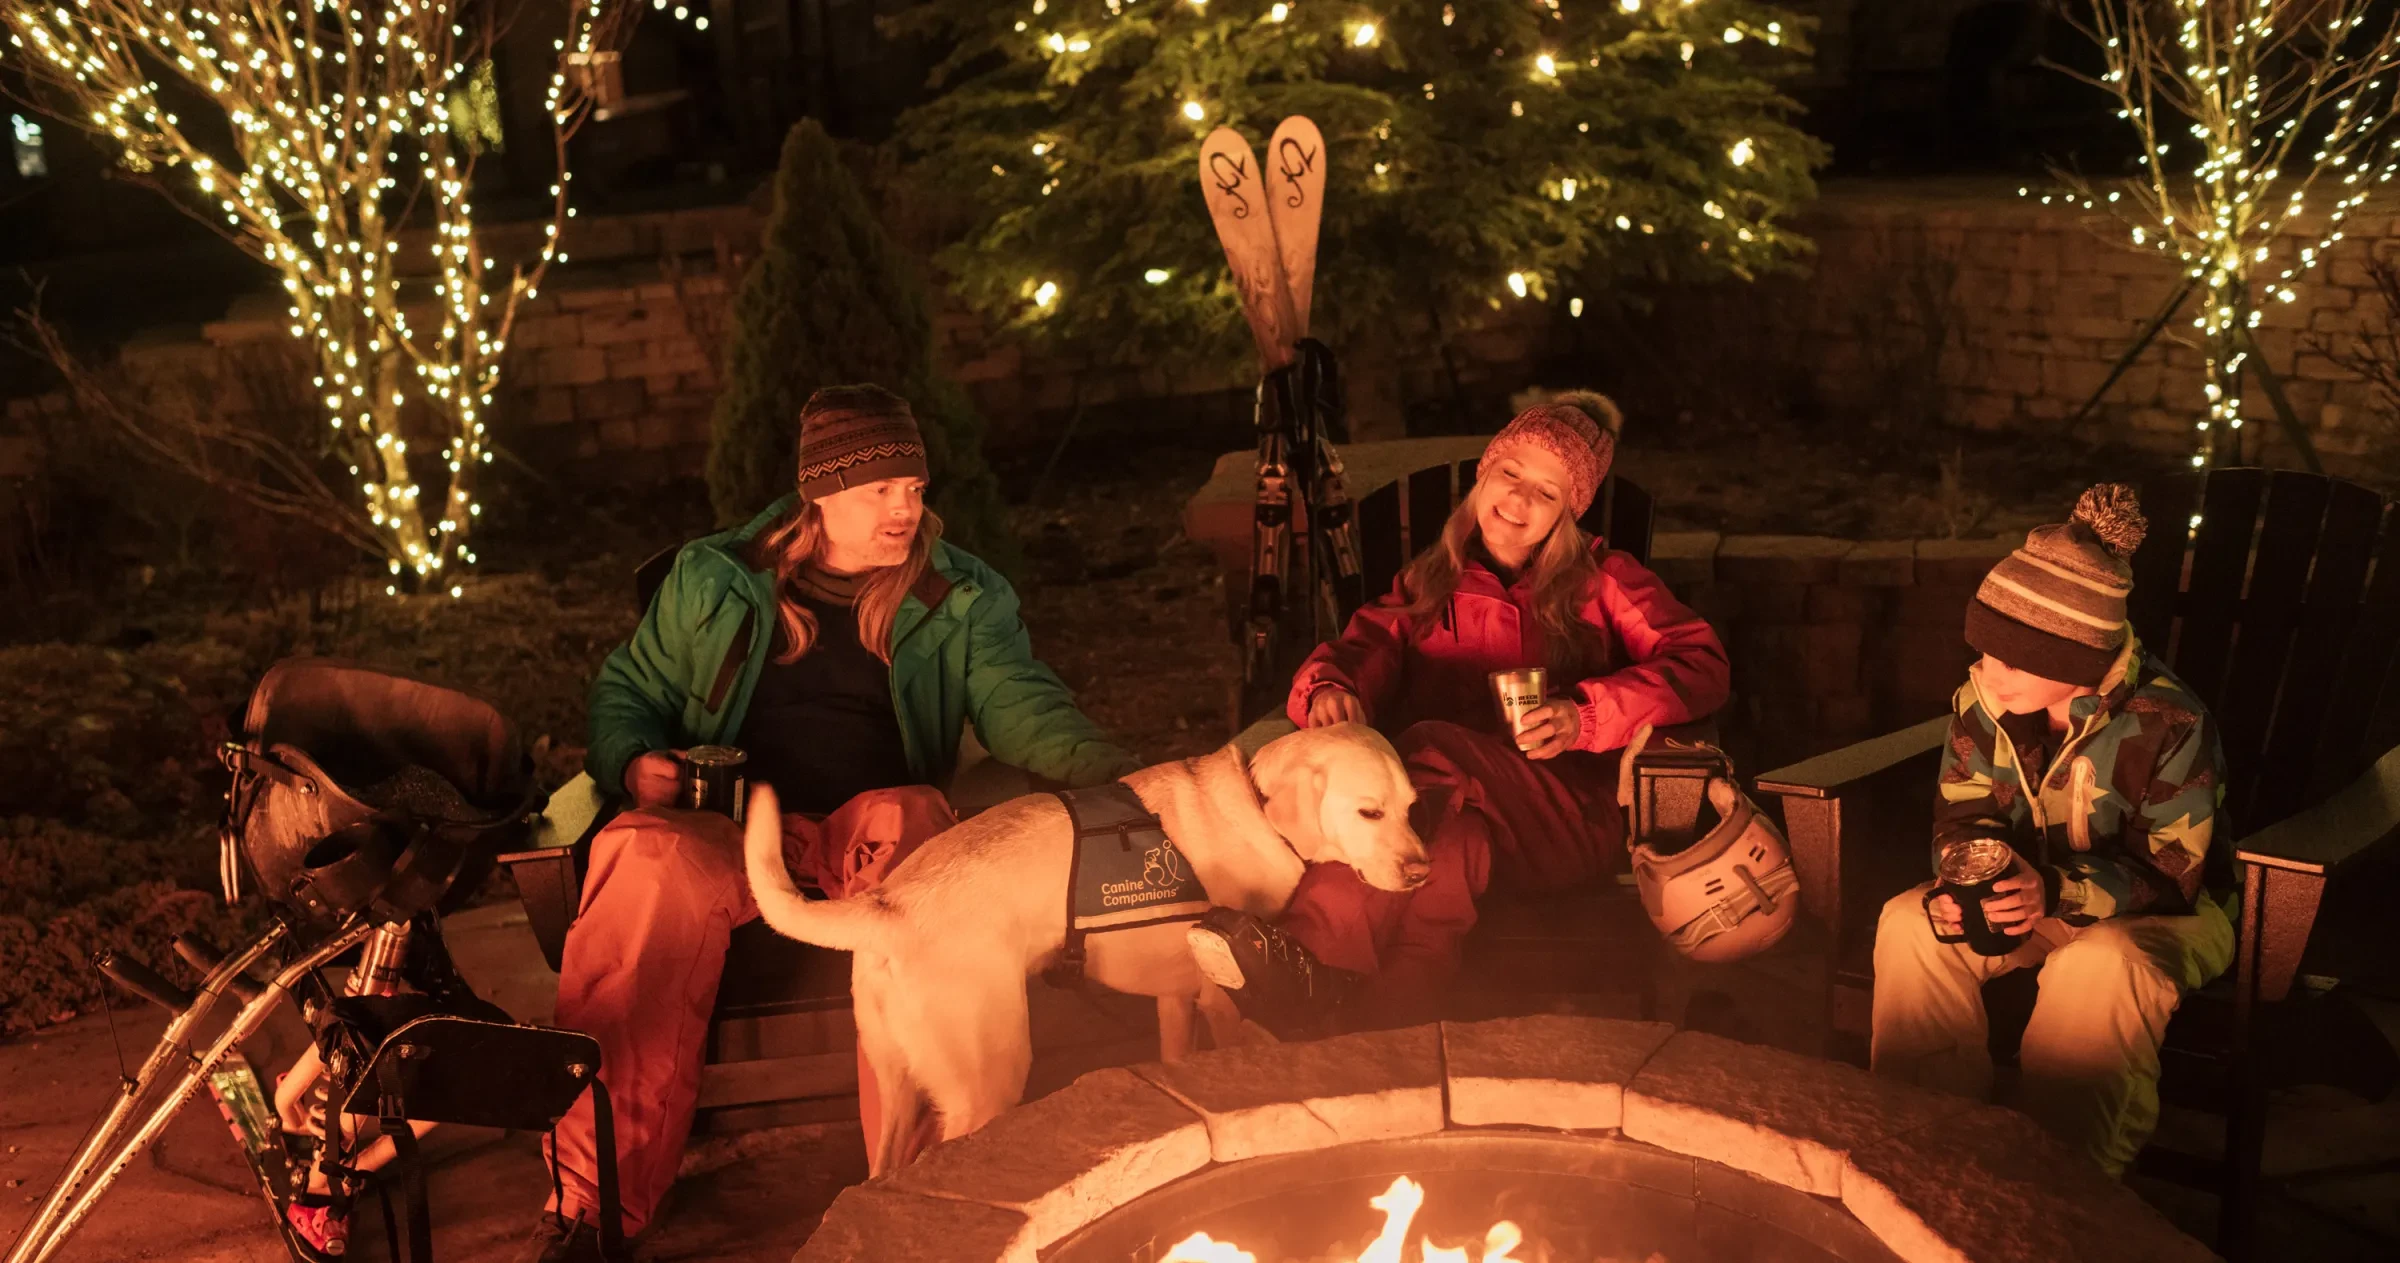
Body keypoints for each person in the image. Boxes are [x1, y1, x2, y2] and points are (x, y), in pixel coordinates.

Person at [527, 385, 1136, 1263]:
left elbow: (1022, 705)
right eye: (880, 490)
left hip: (872, 830)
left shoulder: (956, 594)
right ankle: (592, 1207)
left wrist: (1121, 780)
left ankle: (925, 1200)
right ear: (821, 493)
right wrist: (631, 760)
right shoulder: (715, 580)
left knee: (926, 830)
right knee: (637, 857)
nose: (906, 508)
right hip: (733, 829)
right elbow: (630, 689)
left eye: (915, 487)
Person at [1186, 391, 1732, 1034]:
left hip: (1561, 817)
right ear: (1484, 473)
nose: (1521, 500)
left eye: (1548, 492)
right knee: (1434, 867)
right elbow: (1362, 648)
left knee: (1423, 750)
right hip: (1451, 814)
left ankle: (1305, 959)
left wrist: (1585, 715)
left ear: (1568, 512)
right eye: (1511, 473)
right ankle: (1381, 1039)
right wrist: (1330, 687)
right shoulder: (1431, 582)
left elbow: (1701, 663)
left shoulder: (1606, 581)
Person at [1869, 483, 2233, 1175]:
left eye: (2010, 657)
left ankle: (2062, 1185)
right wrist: (1962, 880)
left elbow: (2172, 872)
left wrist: (2056, 890)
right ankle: (1924, 1153)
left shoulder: (2169, 723)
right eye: (1984, 649)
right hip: (2036, 893)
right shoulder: (1987, 703)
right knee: (1910, 924)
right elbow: (1965, 813)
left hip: (2167, 909)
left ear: (2074, 657)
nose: (1986, 670)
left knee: (2096, 969)